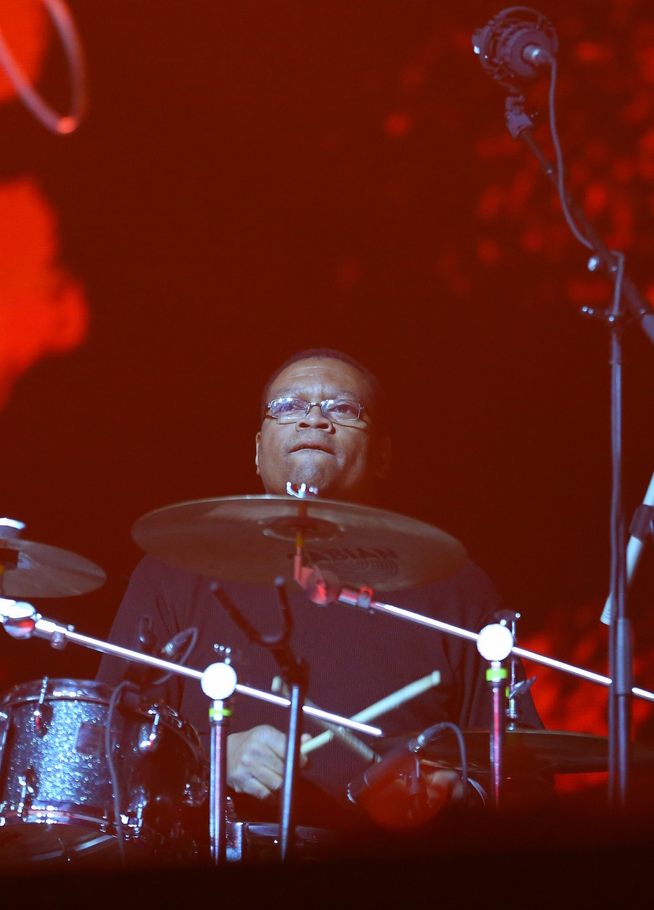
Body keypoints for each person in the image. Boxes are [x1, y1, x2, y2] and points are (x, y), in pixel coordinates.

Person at [97, 349, 541, 830]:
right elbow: (102, 745)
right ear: (257, 450)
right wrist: (214, 756)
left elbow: (528, 777)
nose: (314, 420)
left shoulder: (454, 586)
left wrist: (460, 793)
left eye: (343, 408)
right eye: (288, 406)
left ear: (383, 456)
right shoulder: (174, 571)